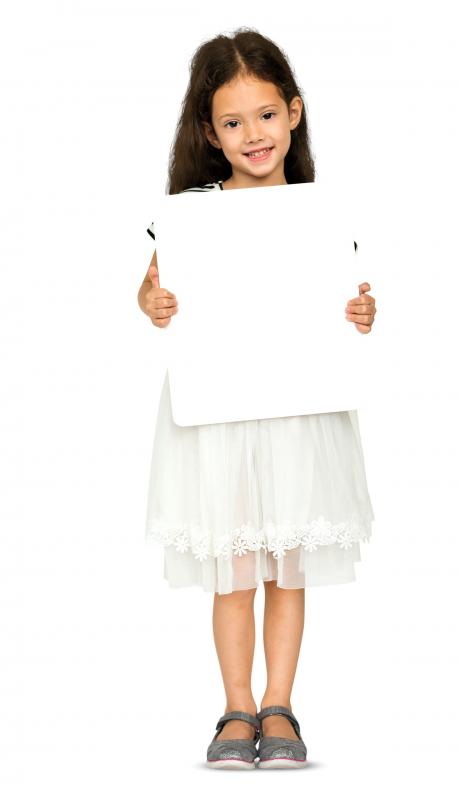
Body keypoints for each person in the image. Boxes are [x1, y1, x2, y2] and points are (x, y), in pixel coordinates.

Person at [137, 27, 377, 770]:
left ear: (294, 113)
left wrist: (364, 313)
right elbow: (153, 290)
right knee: (235, 571)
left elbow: (346, 296)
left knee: (286, 567)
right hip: (220, 411)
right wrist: (154, 300)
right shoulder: (192, 215)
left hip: (299, 410)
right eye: (234, 122)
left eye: (267, 115)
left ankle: (281, 705)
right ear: (211, 131)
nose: (254, 134)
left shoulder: (318, 212)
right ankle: (236, 707)